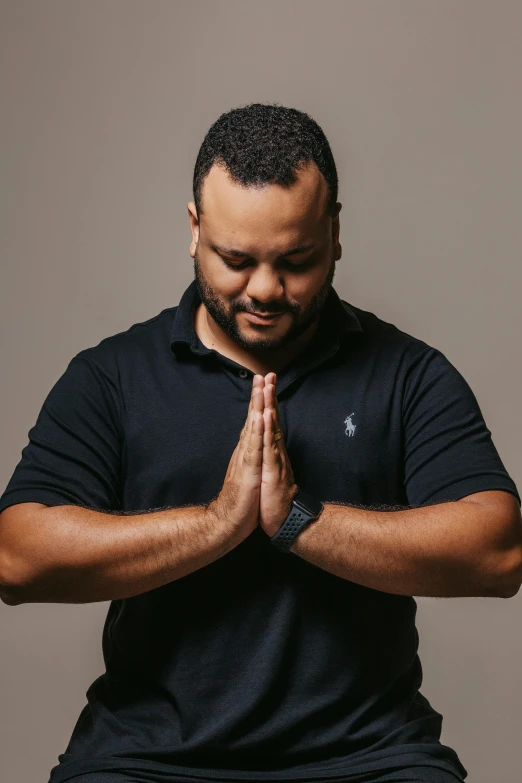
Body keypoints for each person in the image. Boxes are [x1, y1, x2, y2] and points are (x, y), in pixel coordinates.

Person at [0, 103, 520, 783]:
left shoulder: (407, 373)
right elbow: (16, 556)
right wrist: (217, 526)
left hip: (369, 757)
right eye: (236, 260)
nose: (266, 290)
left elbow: (499, 549)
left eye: (296, 260)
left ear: (335, 233)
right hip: (145, 758)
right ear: (194, 231)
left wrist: (300, 523)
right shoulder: (114, 376)